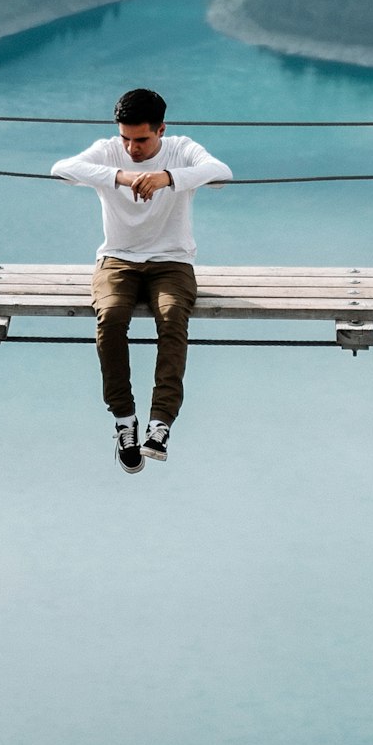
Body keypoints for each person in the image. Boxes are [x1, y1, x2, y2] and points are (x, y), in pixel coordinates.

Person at [50, 87, 231, 474]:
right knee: (111, 316)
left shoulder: (181, 149)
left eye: (141, 139)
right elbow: (62, 169)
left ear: (162, 129)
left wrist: (167, 177)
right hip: (117, 259)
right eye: (125, 138)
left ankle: (160, 422)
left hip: (172, 260)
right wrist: (119, 176)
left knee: (171, 318)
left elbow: (221, 172)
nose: (131, 147)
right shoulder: (109, 152)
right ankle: (124, 420)